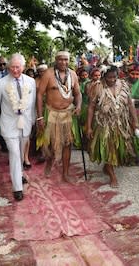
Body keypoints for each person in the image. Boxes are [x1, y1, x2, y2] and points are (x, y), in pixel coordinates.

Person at [0, 53, 36, 201]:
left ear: (23, 67)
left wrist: (33, 119)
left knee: (21, 152)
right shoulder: (1, 83)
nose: (15, 70)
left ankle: (20, 173)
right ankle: (17, 188)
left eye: (18, 67)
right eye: (12, 67)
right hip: (8, 124)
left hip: (26, 123)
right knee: (15, 153)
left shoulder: (31, 82)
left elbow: (33, 103)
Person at [86, 66, 139, 187]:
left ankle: (107, 167)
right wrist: (88, 127)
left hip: (121, 123)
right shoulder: (97, 87)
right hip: (104, 124)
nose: (112, 80)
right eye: (109, 77)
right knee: (109, 148)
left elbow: (130, 104)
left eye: (114, 77)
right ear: (104, 77)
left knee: (117, 148)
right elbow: (91, 107)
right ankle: (112, 175)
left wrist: (135, 121)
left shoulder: (124, 85)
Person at [36, 51, 82, 183]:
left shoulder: (72, 74)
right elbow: (39, 95)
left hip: (67, 113)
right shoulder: (48, 74)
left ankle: (65, 173)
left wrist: (78, 106)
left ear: (69, 60)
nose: (63, 62)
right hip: (51, 113)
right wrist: (40, 117)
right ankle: (50, 162)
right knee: (51, 143)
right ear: (56, 60)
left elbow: (78, 94)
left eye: (66, 60)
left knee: (67, 143)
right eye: (60, 60)